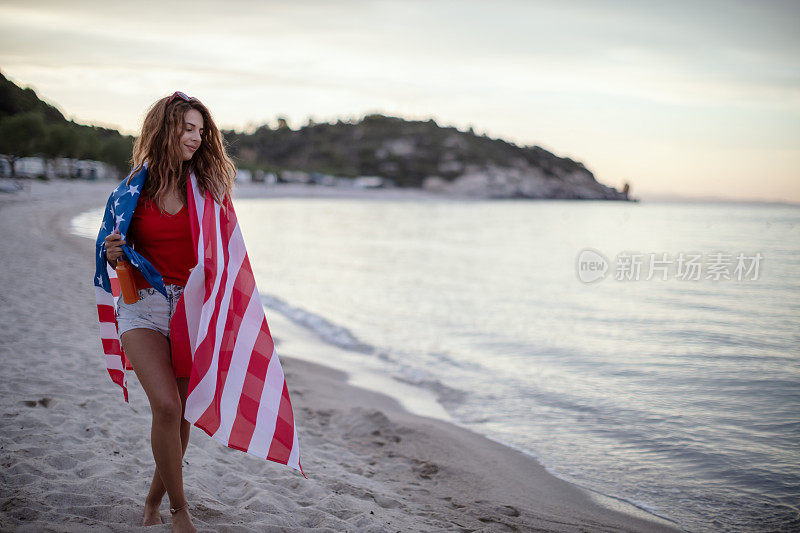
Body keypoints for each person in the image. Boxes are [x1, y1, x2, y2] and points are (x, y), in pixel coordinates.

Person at [103, 91, 235, 532]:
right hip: (141, 304)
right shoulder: (128, 193)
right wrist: (113, 252)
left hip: (189, 309)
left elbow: (227, 256)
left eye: (202, 130)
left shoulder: (208, 191)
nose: (197, 138)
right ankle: (181, 511)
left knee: (180, 414)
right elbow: (111, 257)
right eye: (188, 128)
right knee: (164, 405)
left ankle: (154, 502)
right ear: (165, 129)